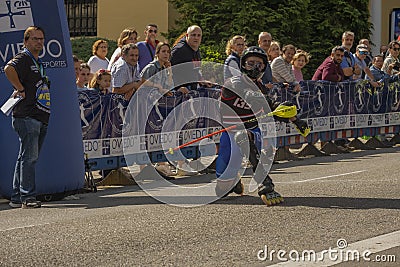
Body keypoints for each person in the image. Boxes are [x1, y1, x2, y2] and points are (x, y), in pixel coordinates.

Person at [216, 46, 309, 205]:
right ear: (243, 65)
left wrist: (295, 120)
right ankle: (231, 181)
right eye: (250, 63)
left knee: (245, 136)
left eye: (259, 64)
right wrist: (255, 97)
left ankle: (264, 183)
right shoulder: (233, 82)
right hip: (230, 131)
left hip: (252, 131)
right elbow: (246, 95)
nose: (255, 67)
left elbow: (271, 106)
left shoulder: (259, 87)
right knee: (221, 188)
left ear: (264, 67)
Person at [4, 26, 51, 209]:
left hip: (39, 114)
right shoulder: (23, 58)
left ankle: (17, 196)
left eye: (41, 39)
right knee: (29, 158)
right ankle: (27, 197)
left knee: (26, 157)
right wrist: (20, 88)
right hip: (26, 115)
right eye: (35, 39)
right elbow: (8, 68)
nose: (39, 42)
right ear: (26, 41)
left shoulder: (38, 61)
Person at [170, 25, 202, 91]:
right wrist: (177, 88)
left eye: (199, 35)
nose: (196, 38)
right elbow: (168, 71)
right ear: (187, 35)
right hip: (180, 91)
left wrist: (201, 80)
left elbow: (195, 69)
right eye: (193, 35)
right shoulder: (179, 50)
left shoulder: (195, 48)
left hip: (192, 89)